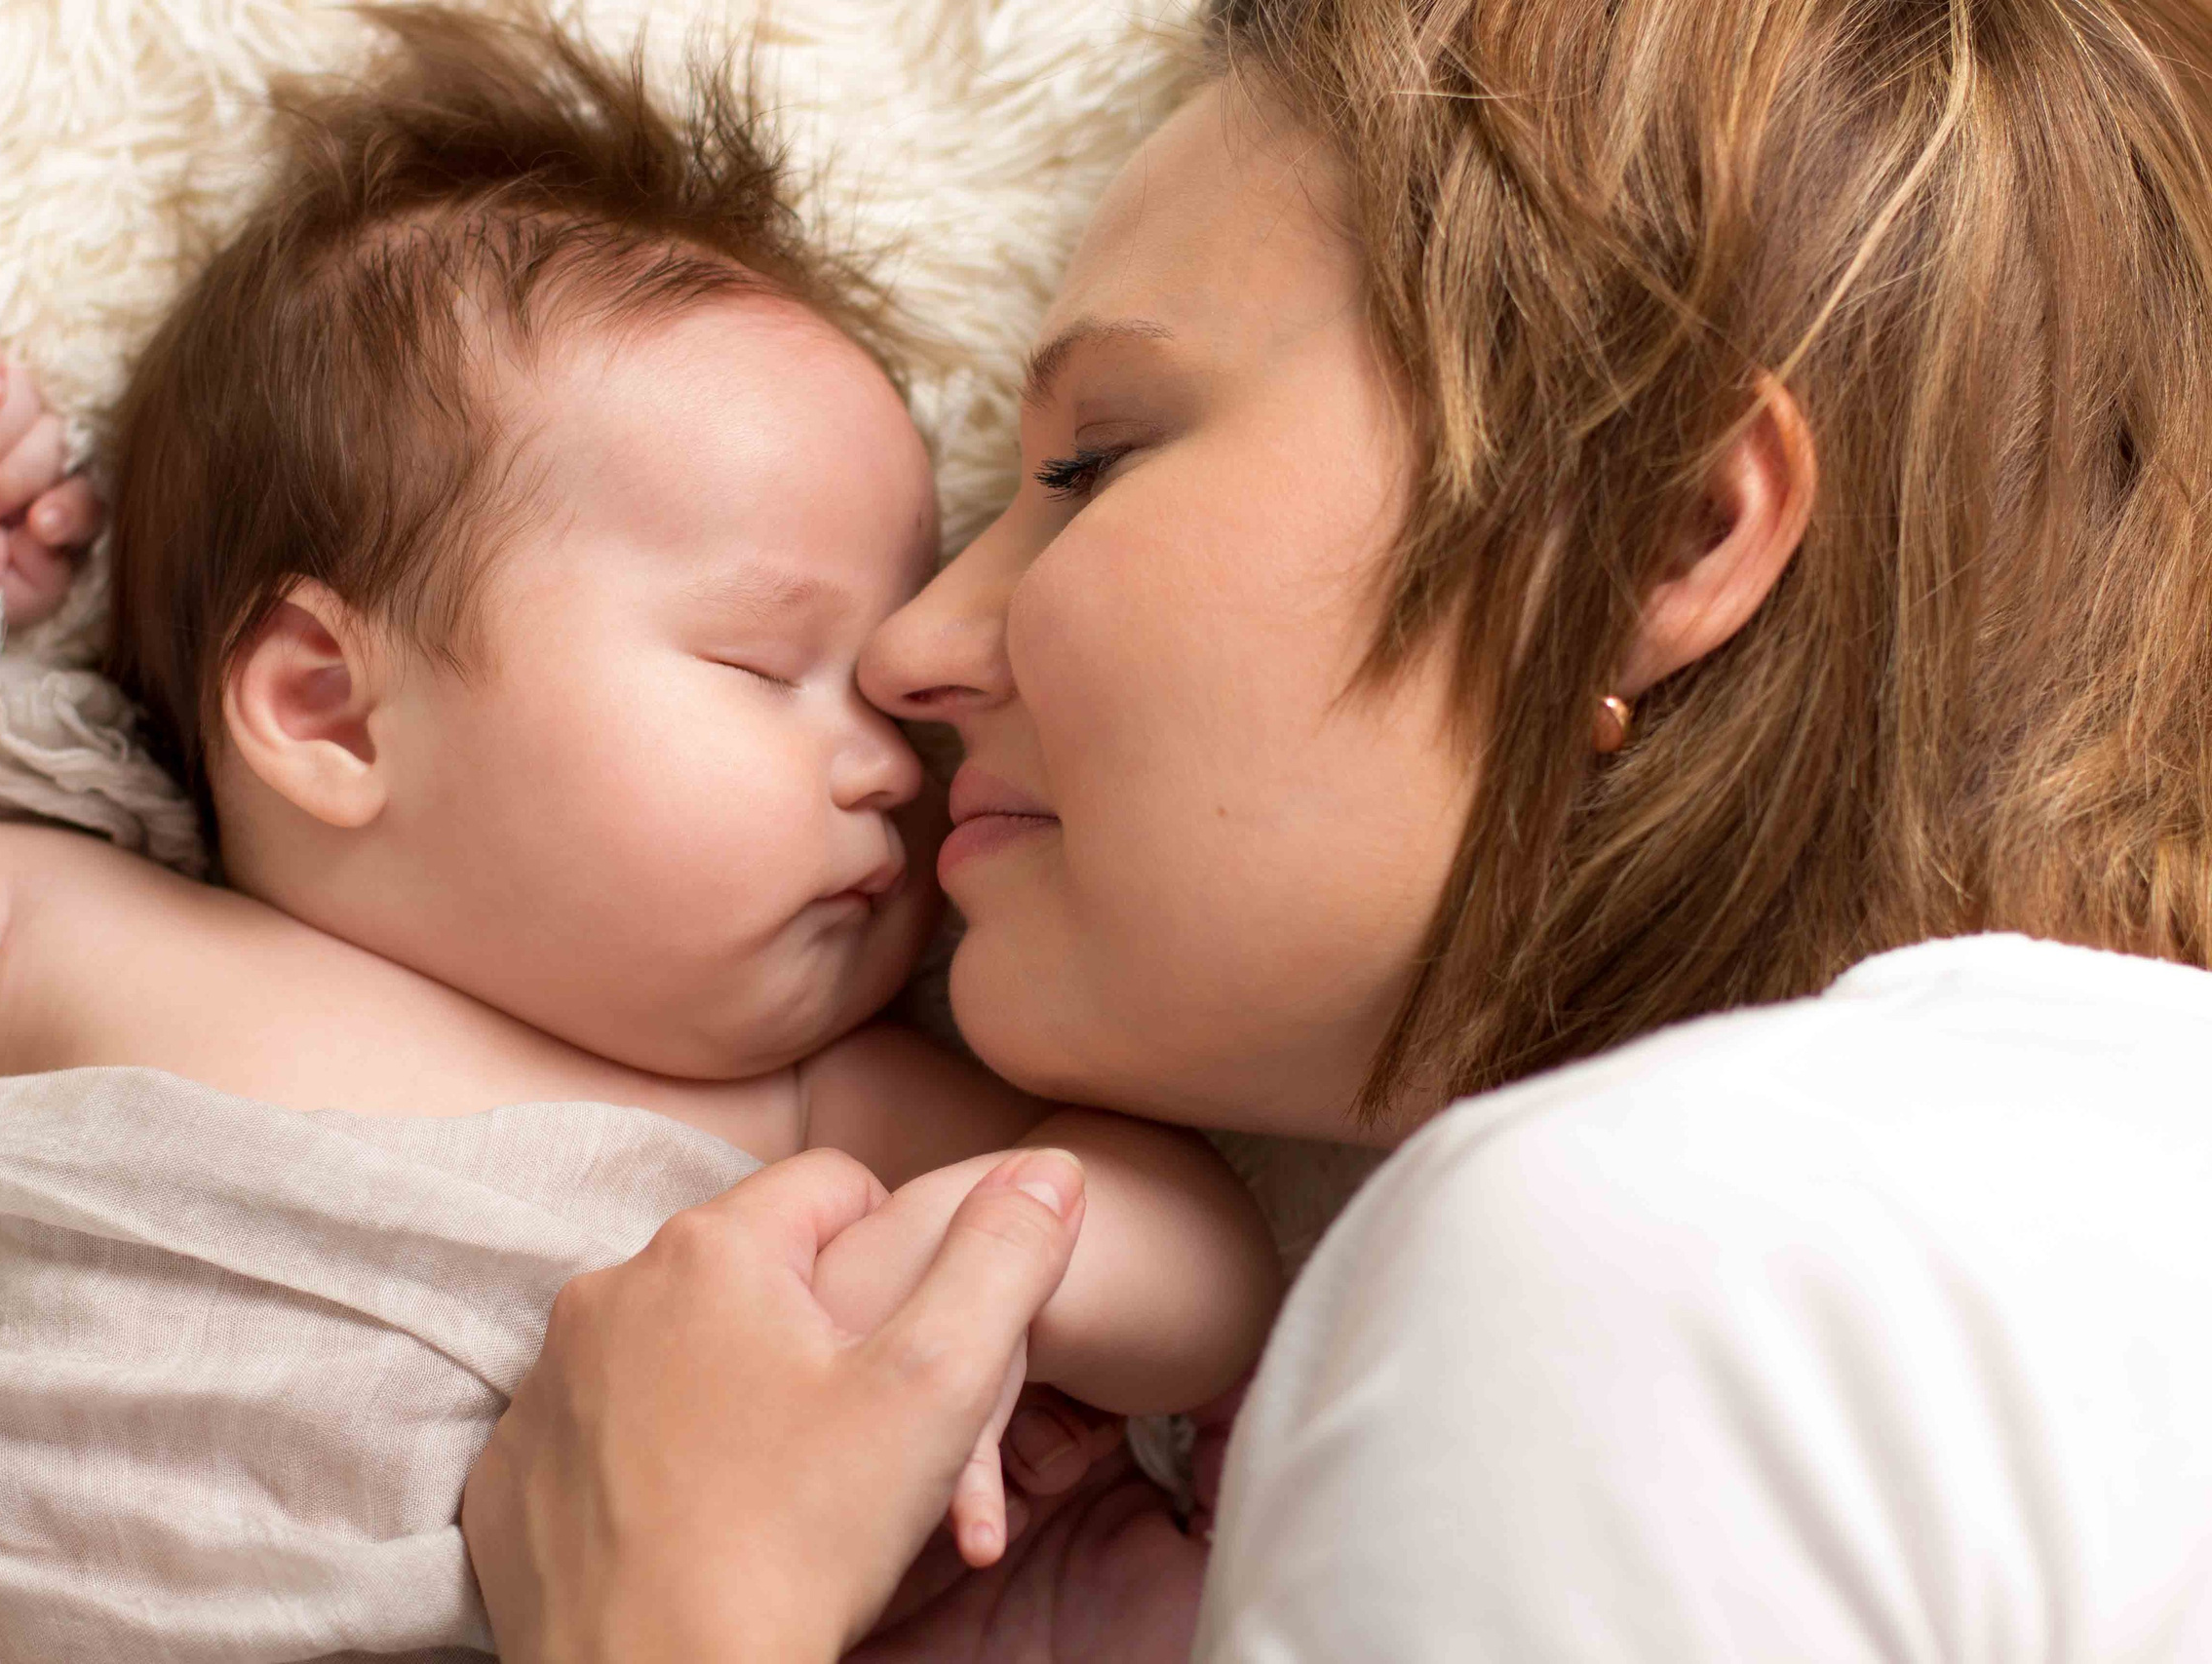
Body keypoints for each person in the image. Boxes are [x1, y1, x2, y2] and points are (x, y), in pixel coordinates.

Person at [460, 0, 2212, 1655]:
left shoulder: (1648, 1265)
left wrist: (669, 1603)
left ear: (1649, 534)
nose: (910, 652)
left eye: (1095, 465)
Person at [0, 8, 1276, 1653]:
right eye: (761, 663)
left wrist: (981, 1269)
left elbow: (1208, 1275)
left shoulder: (801, 1121)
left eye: (890, 701)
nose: (893, 759)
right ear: (327, 709)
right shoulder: (55, 937)